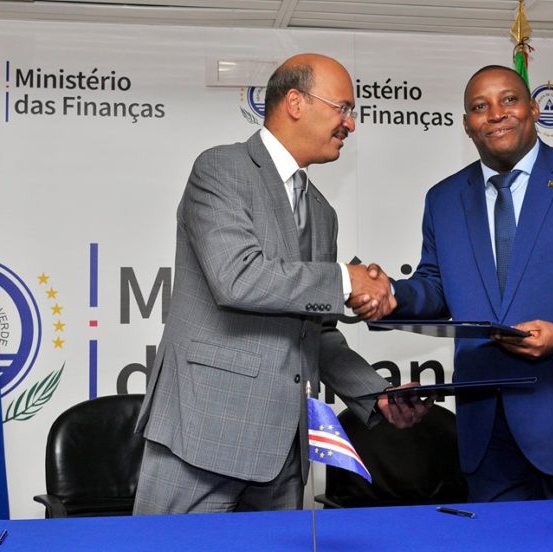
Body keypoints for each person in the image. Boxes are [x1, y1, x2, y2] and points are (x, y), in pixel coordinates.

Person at [352, 65, 553, 502]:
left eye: (509, 99)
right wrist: (392, 295)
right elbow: (437, 286)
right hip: (488, 436)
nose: (496, 113)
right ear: (467, 124)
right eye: (479, 106)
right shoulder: (444, 199)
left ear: (534, 109)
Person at [133, 53, 425, 515]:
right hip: (202, 435)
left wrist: (375, 394)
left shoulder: (323, 213)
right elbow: (237, 277)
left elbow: (314, 331)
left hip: (284, 449)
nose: (350, 124)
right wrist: (344, 279)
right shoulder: (221, 169)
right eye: (343, 108)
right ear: (295, 102)